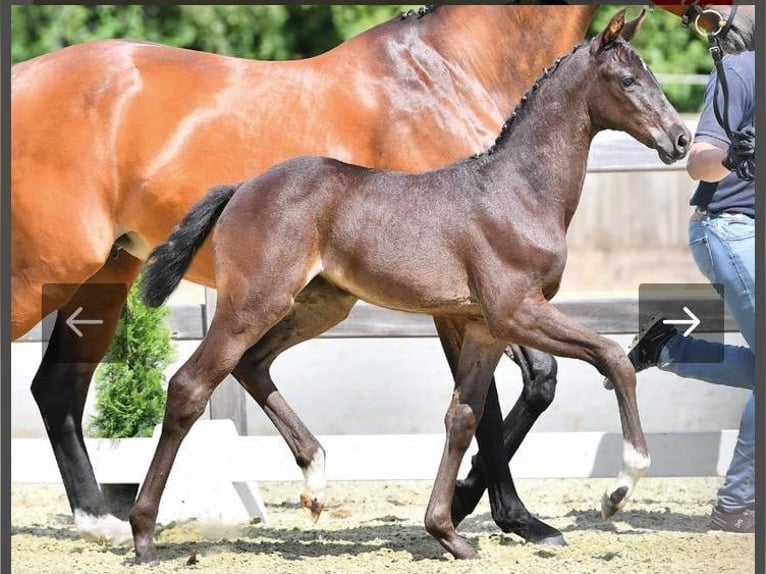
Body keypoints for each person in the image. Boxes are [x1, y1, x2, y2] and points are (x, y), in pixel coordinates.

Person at [619, 49, 755, 533]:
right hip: (732, 229)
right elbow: (698, 162)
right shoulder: (742, 70)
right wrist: (735, 153)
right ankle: (736, 504)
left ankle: (669, 346)